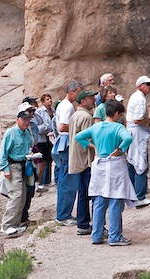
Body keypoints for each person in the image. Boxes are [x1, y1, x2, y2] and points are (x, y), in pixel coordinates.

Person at [74, 99, 136, 246]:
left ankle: (97, 235)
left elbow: (78, 137)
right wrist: (120, 149)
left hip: (99, 165)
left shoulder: (96, 127)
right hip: (114, 165)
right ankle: (115, 236)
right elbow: (128, 138)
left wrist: (91, 146)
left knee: (99, 200)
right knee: (115, 200)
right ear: (116, 114)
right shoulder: (118, 127)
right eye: (120, 114)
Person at [126, 76, 150, 207]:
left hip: (133, 132)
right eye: (148, 84)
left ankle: (133, 192)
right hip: (137, 133)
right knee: (140, 162)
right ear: (141, 85)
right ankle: (139, 196)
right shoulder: (140, 99)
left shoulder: (136, 97)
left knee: (132, 161)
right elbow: (138, 119)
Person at [0, 108, 33, 236]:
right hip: (13, 167)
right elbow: (3, 153)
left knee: (22, 196)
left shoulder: (27, 133)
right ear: (17, 119)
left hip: (24, 165)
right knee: (15, 195)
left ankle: (16, 224)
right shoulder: (11, 133)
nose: (26, 122)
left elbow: (29, 147)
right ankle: (7, 226)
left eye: (28, 120)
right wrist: (5, 169)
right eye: (24, 119)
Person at [53, 80, 83, 225]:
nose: (78, 96)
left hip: (63, 143)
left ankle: (65, 213)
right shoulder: (67, 106)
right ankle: (63, 215)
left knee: (67, 180)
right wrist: (78, 127)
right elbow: (62, 126)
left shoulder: (64, 105)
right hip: (66, 143)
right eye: (77, 92)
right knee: (68, 180)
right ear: (71, 91)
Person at [69, 88, 97, 235]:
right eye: (90, 98)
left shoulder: (75, 115)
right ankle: (92, 225)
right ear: (82, 101)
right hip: (86, 159)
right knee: (91, 192)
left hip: (77, 159)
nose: (93, 100)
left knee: (82, 192)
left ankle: (82, 223)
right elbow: (89, 138)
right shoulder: (86, 117)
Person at [34, 94, 54, 190]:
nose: (49, 100)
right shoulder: (39, 112)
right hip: (42, 138)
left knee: (49, 159)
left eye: (50, 98)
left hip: (51, 137)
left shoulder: (53, 111)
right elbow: (37, 127)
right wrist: (47, 127)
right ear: (43, 102)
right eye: (47, 99)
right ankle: (40, 181)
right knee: (42, 160)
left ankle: (47, 180)